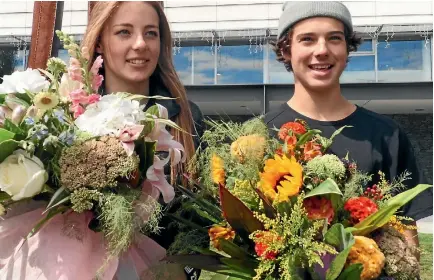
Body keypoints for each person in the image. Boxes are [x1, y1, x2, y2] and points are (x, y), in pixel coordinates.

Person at [0, 2, 204, 279]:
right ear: (99, 43)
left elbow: (199, 218)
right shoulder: (65, 112)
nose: (140, 44)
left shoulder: (186, 118)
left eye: (151, 33)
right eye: (124, 32)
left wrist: (183, 267)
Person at [265, 1, 432, 259]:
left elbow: (406, 237)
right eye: (307, 39)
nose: (322, 50)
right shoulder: (259, 135)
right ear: (286, 50)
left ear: (347, 48)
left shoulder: (387, 136)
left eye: (334, 38)